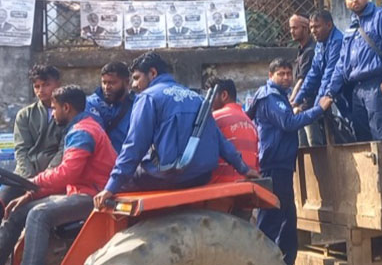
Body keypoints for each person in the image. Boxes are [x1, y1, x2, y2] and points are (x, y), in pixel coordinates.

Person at [93, 52, 258, 208]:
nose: (134, 85)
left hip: (168, 174)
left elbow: (134, 146)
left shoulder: (148, 97)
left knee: (115, 186)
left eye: (136, 78)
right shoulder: (197, 98)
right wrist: (244, 168)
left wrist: (111, 186)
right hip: (200, 176)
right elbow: (220, 140)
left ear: (152, 73)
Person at [0, 85, 117, 265]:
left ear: (66, 108)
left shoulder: (83, 132)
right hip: (77, 191)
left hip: (93, 196)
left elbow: (66, 174)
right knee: (16, 213)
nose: (52, 114)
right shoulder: (79, 128)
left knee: (39, 214)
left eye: (54, 108)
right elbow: (65, 180)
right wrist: (30, 194)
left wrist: (32, 181)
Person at [246, 58, 333, 265]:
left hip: (282, 165)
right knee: (272, 219)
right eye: (281, 74)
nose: (286, 77)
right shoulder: (271, 97)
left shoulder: (279, 97)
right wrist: (318, 109)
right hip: (274, 165)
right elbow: (289, 123)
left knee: (287, 220)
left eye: (288, 73)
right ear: (270, 76)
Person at [326, 0, 382, 141]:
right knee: (362, 140)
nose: (355, 0)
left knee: (380, 139)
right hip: (357, 89)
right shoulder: (350, 29)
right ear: (346, 2)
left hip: (377, 85)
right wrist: (330, 92)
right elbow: (342, 64)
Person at [0, 65, 65, 217]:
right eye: (37, 86)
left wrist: (45, 178)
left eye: (46, 85)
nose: (41, 90)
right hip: (25, 176)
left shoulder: (68, 112)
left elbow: (63, 151)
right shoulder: (25, 115)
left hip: (54, 176)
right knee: (4, 202)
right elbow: (22, 150)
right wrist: (28, 180)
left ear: (58, 84)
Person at [292, 10, 344, 145]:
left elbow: (329, 74)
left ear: (329, 25)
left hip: (344, 92)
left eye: (317, 26)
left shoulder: (337, 41)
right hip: (331, 93)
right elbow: (313, 74)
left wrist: (316, 108)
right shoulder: (320, 44)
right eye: (311, 27)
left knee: (347, 130)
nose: (313, 31)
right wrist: (297, 100)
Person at [207, 77, 259, 183]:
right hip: (247, 188)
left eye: (211, 95)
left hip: (219, 190)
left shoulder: (214, 118)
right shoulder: (250, 123)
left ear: (224, 95)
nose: (208, 101)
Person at [86, 62, 135, 153]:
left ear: (127, 82)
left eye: (112, 83)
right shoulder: (91, 104)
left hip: (127, 161)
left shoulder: (137, 104)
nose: (107, 87)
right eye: (104, 82)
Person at [288, 13, 319, 146]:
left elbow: (302, 80)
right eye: (291, 28)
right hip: (302, 107)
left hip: (310, 106)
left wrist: (293, 101)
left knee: (314, 145)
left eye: (295, 28)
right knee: (303, 147)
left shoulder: (310, 51)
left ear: (305, 29)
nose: (292, 32)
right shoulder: (302, 51)